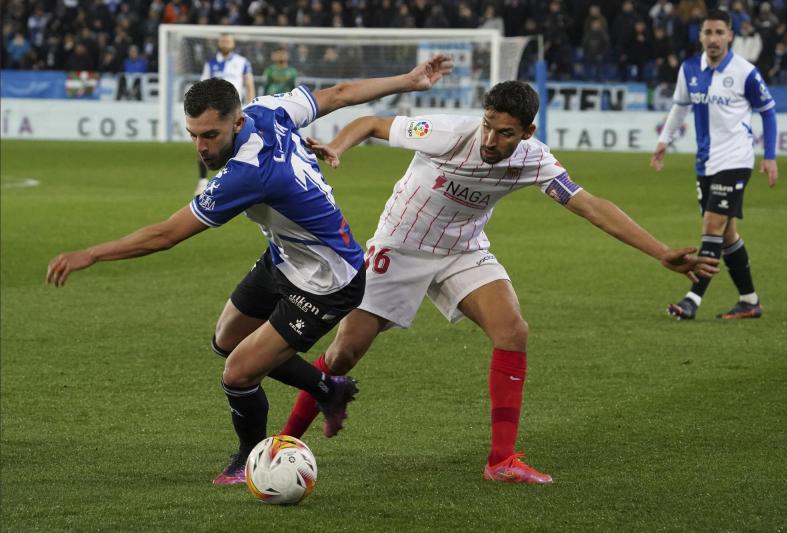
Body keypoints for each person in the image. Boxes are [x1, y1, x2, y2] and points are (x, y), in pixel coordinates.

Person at [278, 81, 720, 485]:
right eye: (488, 126)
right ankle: (281, 444)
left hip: (463, 250)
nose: (490, 140)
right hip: (400, 246)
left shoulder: (535, 159)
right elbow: (372, 122)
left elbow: (590, 206)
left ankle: (501, 461)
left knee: (513, 331)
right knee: (342, 356)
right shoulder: (447, 133)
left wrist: (661, 251)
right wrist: (337, 145)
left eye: (504, 133)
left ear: (527, 132)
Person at [46, 54, 455, 485]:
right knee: (226, 340)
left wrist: (90, 254)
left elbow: (165, 235)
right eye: (193, 135)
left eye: (210, 135)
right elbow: (337, 95)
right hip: (286, 256)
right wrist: (408, 80)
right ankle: (327, 389)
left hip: (327, 281)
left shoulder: (247, 174)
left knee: (239, 372)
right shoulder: (267, 110)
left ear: (237, 124)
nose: (201, 147)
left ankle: (250, 459)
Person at [650, 9, 778, 320]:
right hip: (705, 162)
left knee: (711, 227)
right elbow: (680, 107)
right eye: (707, 32)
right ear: (701, 36)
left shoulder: (745, 71)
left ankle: (693, 299)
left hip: (736, 159)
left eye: (719, 32)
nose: (713, 38)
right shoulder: (690, 69)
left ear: (730, 36)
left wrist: (770, 156)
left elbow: (768, 111)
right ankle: (750, 301)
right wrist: (664, 140)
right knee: (728, 234)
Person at [195, 33, 257, 195]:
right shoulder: (211, 63)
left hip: (234, 110)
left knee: (236, 143)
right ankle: (202, 181)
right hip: (212, 111)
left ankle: (234, 181)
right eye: (223, 40)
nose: (225, 43)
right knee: (204, 143)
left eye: (228, 40)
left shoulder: (242, 62)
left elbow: (249, 85)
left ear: (233, 43)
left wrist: (250, 106)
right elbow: (202, 85)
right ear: (219, 43)